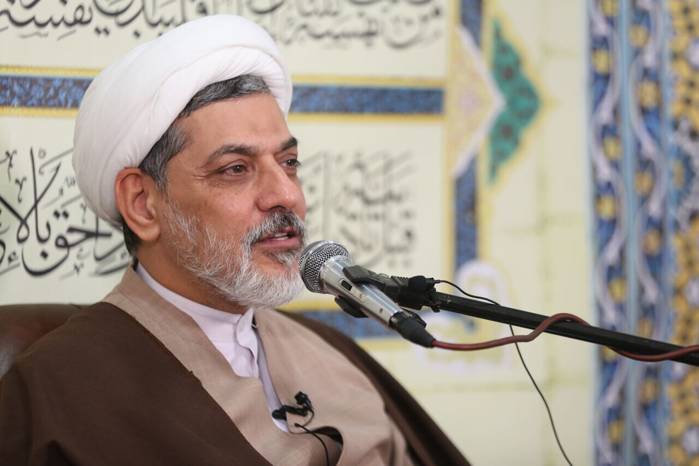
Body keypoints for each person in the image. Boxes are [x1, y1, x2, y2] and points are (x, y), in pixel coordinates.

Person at [0, 15, 468, 466]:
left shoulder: (331, 353)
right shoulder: (59, 392)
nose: (287, 196)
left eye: (288, 163)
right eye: (235, 169)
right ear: (142, 204)